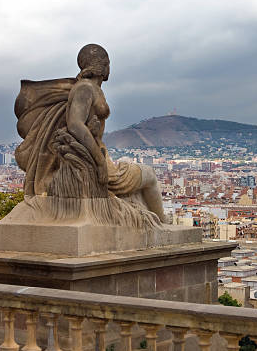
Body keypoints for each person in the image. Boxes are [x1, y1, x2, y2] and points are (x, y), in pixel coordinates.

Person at [14, 44, 165, 223]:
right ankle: (164, 223)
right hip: (99, 162)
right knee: (150, 176)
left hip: (100, 155)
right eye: (108, 63)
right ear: (102, 66)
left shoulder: (90, 88)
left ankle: (161, 223)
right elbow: (75, 125)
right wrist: (100, 162)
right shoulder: (85, 88)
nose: (110, 68)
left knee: (131, 166)